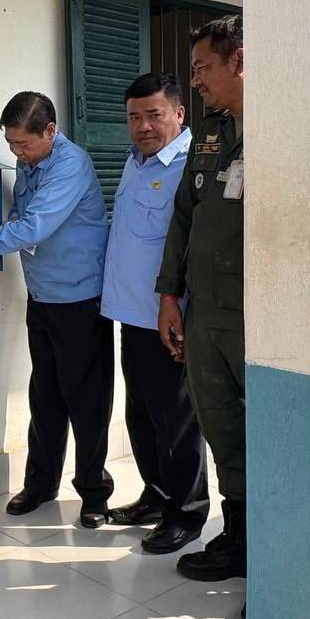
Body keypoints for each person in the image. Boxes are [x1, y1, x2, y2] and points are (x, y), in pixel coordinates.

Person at [0, 92, 112, 529]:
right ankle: (41, 484)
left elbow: (31, 228)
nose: (17, 152)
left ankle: (93, 494)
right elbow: (16, 220)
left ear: (50, 131)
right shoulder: (30, 165)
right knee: (44, 396)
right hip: (42, 296)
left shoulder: (70, 165)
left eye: (23, 144)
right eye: (11, 144)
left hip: (80, 300)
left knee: (86, 400)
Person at [101, 72, 208, 554]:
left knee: (176, 420)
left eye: (154, 115)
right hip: (131, 313)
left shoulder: (190, 166)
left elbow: (190, 248)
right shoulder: (135, 162)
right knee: (141, 415)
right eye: (133, 117)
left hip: (168, 318)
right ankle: (156, 495)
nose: (142, 126)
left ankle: (187, 511)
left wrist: (179, 308)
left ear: (179, 114)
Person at [156, 14, 246, 583]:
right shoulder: (212, 133)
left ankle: (274, 555)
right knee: (220, 425)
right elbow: (183, 219)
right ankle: (237, 539)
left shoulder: (286, 126)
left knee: (269, 432)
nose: (196, 81)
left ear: (240, 61)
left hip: (257, 315)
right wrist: (170, 294)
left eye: (203, 67)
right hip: (206, 311)